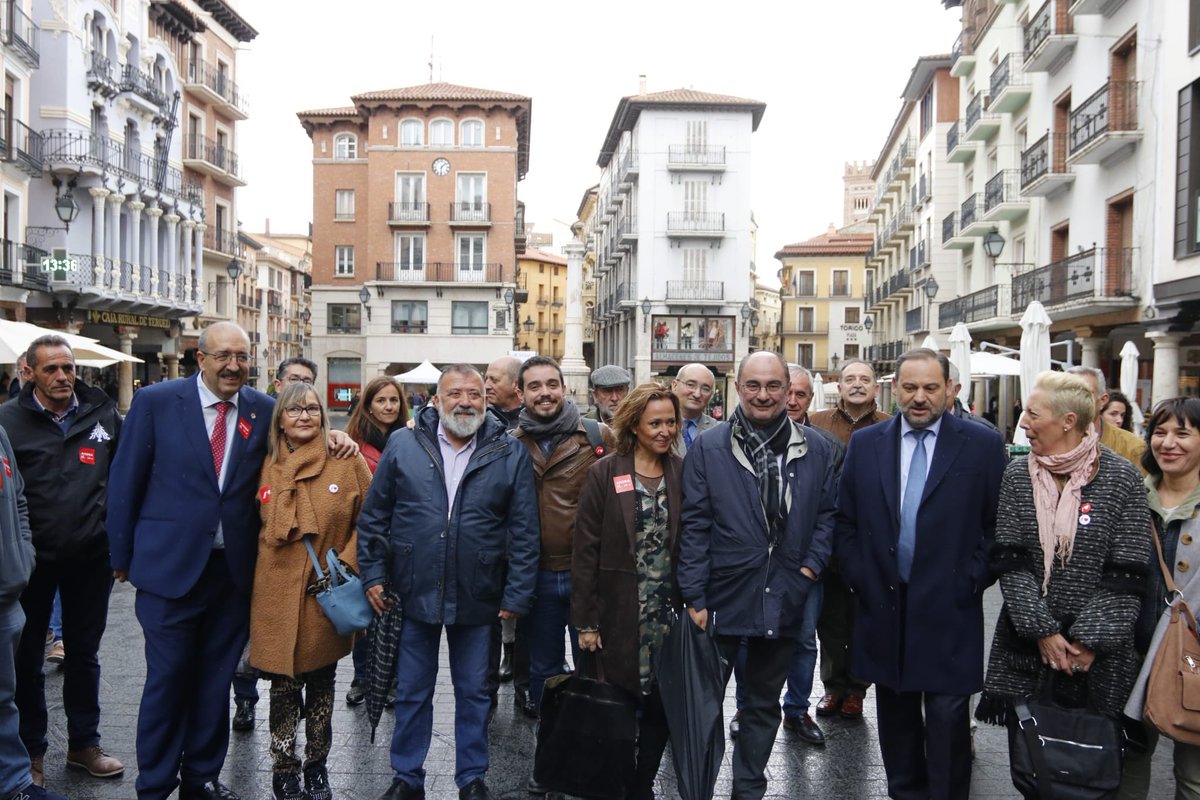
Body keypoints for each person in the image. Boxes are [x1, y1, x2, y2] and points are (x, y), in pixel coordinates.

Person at [106, 321, 358, 800]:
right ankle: (156, 783)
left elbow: (301, 443)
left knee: (216, 680)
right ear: (200, 359)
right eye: (223, 356)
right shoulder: (157, 403)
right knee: (167, 680)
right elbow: (124, 481)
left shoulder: (265, 410)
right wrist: (120, 556)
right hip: (169, 570)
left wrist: (337, 439)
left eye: (242, 357)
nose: (234, 366)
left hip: (235, 575)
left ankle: (202, 777)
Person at [357, 364, 539, 800]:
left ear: (486, 400)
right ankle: (407, 776)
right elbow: (374, 516)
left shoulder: (508, 452)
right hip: (411, 586)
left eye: (474, 394)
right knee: (414, 690)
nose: (465, 402)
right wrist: (373, 574)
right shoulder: (404, 443)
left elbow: (525, 529)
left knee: (474, 692)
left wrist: (516, 592)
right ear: (436, 401)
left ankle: (471, 777)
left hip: (480, 591)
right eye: (454, 393)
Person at [838, 348, 1007, 800]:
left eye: (930, 388)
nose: (919, 398)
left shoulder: (984, 446)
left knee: (949, 717)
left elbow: (998, 528)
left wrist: (971, 578)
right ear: (895, 389)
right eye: (909, 388)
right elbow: (846, 519)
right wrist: (861, 575)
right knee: (896, 717)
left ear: (951, 390)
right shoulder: (867, 443)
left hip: (950, 607)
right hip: (885, 606)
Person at [975, 371, 1151, 798]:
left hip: (1100, 656)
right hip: (1029, 648)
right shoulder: (1017, 476)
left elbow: (1128, 574)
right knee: (1037, 767)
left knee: (1091, 768)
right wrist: (1044, 633)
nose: (1023, 423)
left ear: (1068, 420)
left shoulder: (1123, 479)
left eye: (1033, 414)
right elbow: (1011, 562)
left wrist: (1087, 641)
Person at [678, 351, 837, 800]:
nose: (763, 395)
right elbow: (694, 523)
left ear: (789, 391)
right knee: (705, 708)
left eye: (772, 386)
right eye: (753, 385)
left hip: (784, 594)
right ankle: (698, 790)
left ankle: (748, 789)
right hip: (720, 596)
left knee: (763, 704)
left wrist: (807, 570)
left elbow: (828, 516)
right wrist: (694, 595)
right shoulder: (710, 446)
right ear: (739, 389)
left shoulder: (818, 448)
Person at [0, 336, 125, 786]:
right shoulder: (7, 422)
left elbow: (127, 473)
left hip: (92, 557)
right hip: (32, 563)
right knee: (27, 657)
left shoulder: (103, 413)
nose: (62, 377)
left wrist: (120, 542)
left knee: (84, 654)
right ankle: (31, 751)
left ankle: (83, 744)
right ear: (28, 372)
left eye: (68, 368)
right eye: (51, 369)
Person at [250, 384, 372, 800]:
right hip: (275, 593)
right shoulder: (264, 462)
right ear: (280, 418)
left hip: (325, 591)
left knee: (322, 683)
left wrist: (347, 565)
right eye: (294, 409)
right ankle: (283, 768)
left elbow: (374, 518)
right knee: (283, 687)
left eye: (313, 409)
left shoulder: (345, 459)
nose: (305, 416)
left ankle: (317, 766)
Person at [572, 382, 683, 800]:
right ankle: (615, 781)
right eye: (655, 422)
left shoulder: (681, 472)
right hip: (618, 615)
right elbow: (585, 551)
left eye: (670, 422)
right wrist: (586, 621)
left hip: (665, 618)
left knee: (659, 707)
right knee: (616, 706)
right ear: (634, 424)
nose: (664, 431)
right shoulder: (606, 473)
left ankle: (642, 786)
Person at [511, 356, 614, 732]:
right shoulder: (510, 444)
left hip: (587, 573)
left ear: (564, 388)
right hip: (536, 574)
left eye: (551, 384)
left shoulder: (599, 437)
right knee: (543, 666)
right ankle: (550, 744)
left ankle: (591, 745)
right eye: (534, 386)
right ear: (520, 394)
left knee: (594, 664)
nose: (545, 393)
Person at [233, 357, 321, 733]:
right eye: (294, 381)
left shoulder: (332, 447)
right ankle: (245, 701)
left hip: (308, 575)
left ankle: (308, 750)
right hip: (258, 564)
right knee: (249, 642)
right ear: (278, 384)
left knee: (305, 661)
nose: (300, 391)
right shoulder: (257, 435)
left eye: (307, 384)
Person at [1123, 397, 1200, 799]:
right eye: (1160, 432)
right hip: (1132, 655)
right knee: (1129, 763)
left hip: (1194, 662)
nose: (1168, 442)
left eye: (1183, 433)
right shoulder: (1133, 496)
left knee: (1193, 775)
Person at [808, 358, 891, 719]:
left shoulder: (891, 425)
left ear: (875, 387)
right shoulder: (817, 423)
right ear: (838, 387)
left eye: (865, 379)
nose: (857, 384)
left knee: (864, 616)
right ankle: (832, 687)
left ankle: (857, 689)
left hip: (872, 539)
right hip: (828, 537)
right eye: (850, 379)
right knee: (830, 619)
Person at [0, 421, 67, 800]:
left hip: (7, 594)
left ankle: (14, 785)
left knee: (4, 699)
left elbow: (19, 498)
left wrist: (21, 558)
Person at [482, 357, 526, 699]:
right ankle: (488, 686)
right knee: (489, 615)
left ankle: (520, 671)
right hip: (491, 533)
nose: (487, 384)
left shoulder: (535, 422)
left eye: (494, 378)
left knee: (523, 609)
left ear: (515, 385)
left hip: (524, 531)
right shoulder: (479, 420)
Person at [1067, 365, 1147, 473]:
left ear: (1103, 400)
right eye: (1069, 393)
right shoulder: (1046, 441)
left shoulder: (1133, 447)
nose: (1076, 399)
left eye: (1085, 393)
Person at [345, 376, 409, 473]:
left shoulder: (411, 439)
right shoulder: (351, 442)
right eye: (380, 401)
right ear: (368, 407)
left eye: (394, 400)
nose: (389, 407)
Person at [670, 363, 720, 455]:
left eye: (705, 389)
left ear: (711, 395)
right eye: (690, 385)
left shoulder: (718, 431)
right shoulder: (658, 426)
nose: (697, 394)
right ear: (674, 386)